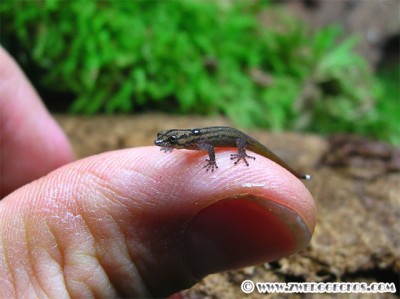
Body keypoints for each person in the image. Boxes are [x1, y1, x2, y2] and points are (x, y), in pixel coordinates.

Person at [0, 46, 316, 298]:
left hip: (240, 140)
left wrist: (223, 158)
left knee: (239, 153)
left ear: (180, 140)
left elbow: (212, 149)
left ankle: (296, 174)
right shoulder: (188, 143)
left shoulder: (200, 143)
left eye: (170, 140)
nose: (166, 144)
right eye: (167, 140)